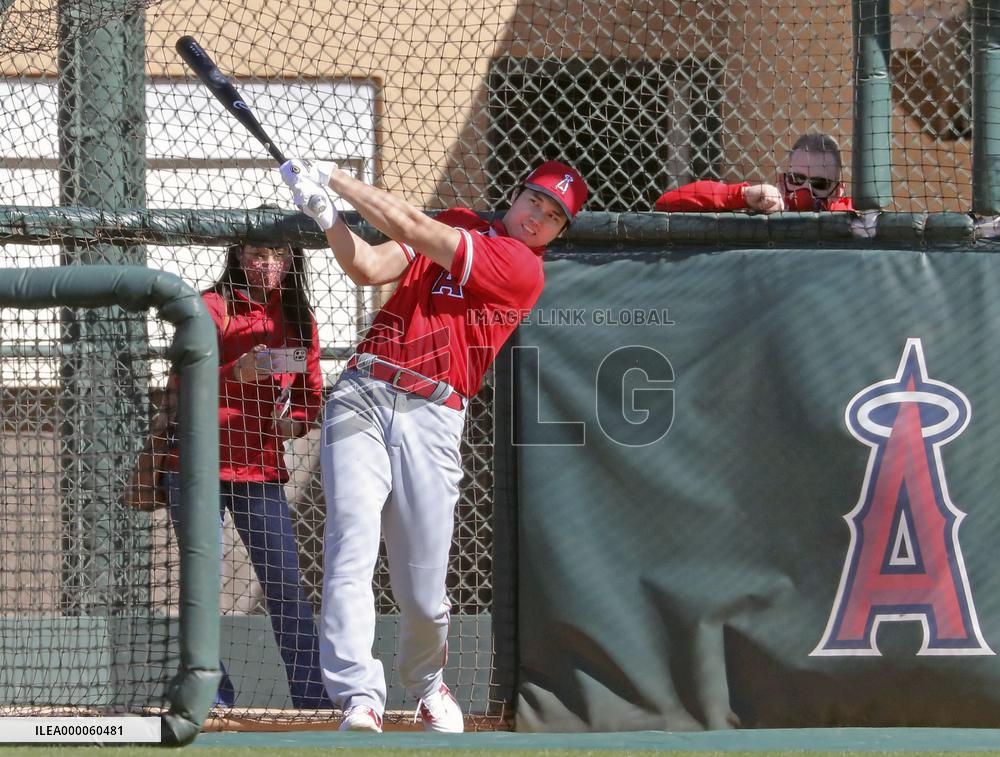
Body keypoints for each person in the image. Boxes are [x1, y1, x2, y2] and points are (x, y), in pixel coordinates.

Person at [278, 157, 587, 733]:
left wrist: (335, 180)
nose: (537, 218)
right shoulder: (461, 219)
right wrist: (327, 217)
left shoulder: (521, 267)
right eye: (534, 202)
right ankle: (358, 697)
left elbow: (419, 232)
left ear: (558, 232)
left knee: (422, 589)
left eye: (553, 217)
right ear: (515, 196)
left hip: (435, 414)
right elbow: (368, 268)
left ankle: (424, 685)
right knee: (350, 546)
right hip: (364, 392)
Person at [162, 240, 331, 709]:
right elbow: (179, 381)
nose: (268, 264)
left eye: (278, 254)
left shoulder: (298, 317)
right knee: (202, 586)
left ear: (292, 259)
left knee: (285, 589)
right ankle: (213, 695)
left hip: (260, 469)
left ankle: (312, 699)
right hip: (195, 468)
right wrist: (232, 372)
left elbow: (310, 397)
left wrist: (294, 422)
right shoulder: (211, 308)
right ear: (238, 257)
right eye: (257, 254)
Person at [654, 133, 854, 213]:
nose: (804, 190)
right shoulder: (766, 209)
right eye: (797, 179)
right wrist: (744, 196)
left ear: (838, 191)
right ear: (782, 182)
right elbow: (666, 203)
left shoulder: (850, 215)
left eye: (819, 183)